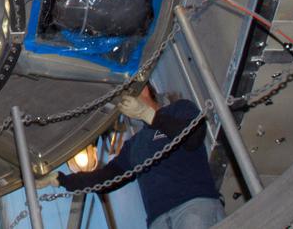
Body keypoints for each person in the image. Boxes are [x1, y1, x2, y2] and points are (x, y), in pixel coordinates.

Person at [38, 86, 222, 228]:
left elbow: (193, 137)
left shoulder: (179, 109)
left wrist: (148, 115)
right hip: (158, 220)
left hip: (193, 206)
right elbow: (107, 178)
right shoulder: (134, 145)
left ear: (146, 89)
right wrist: (62, 180)